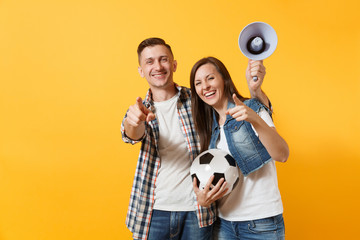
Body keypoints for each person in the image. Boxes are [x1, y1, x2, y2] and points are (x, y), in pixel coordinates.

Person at [121, 38, 270, 240]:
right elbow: (131, 134)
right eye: (149, 61)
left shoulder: (199, 100)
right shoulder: (139, 110)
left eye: (163, 59)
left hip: (197, 210)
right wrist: (134, 121)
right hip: (153, 210)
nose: (157, 66)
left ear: (173, 65)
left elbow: (242, 110)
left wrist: (256, 91)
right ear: (141, 70)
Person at [189, 57, 289, 240]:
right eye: (198, 83)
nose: (205, 86)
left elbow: (282, 154)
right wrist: (203, 200)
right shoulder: (209, 127)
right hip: (224, 223)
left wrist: (255, 119)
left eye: (210, 78)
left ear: (224, 79)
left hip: (261, 222)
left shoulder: (251, 108)